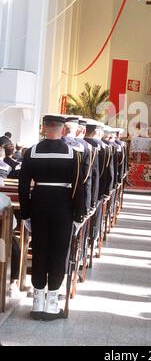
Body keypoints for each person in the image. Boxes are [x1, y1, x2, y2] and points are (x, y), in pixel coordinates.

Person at [18, 114, 85, 321]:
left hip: (38, 204)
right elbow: (78, 187)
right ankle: (52, 306)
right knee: (58, 252)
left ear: (44, 128)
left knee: (39, 251)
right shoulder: (73, 154)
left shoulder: (31, 152)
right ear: (62, 129)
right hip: (63, 208)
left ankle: (37, 304)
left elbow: (23, 186)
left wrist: (26, 213)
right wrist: (78, 214)